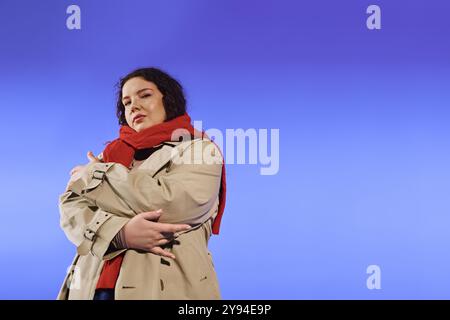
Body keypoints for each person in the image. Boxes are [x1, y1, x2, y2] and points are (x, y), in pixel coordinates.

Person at [57, 67, 226, 300]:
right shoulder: (110, 155)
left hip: (164, 288)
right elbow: (70, 207)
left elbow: (171, 204)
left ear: (169, 100)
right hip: (90, 286)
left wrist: (98, 177)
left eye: (144, 95)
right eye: (126, 103)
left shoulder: (200, 150)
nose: (133, 106)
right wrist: (120, 234)